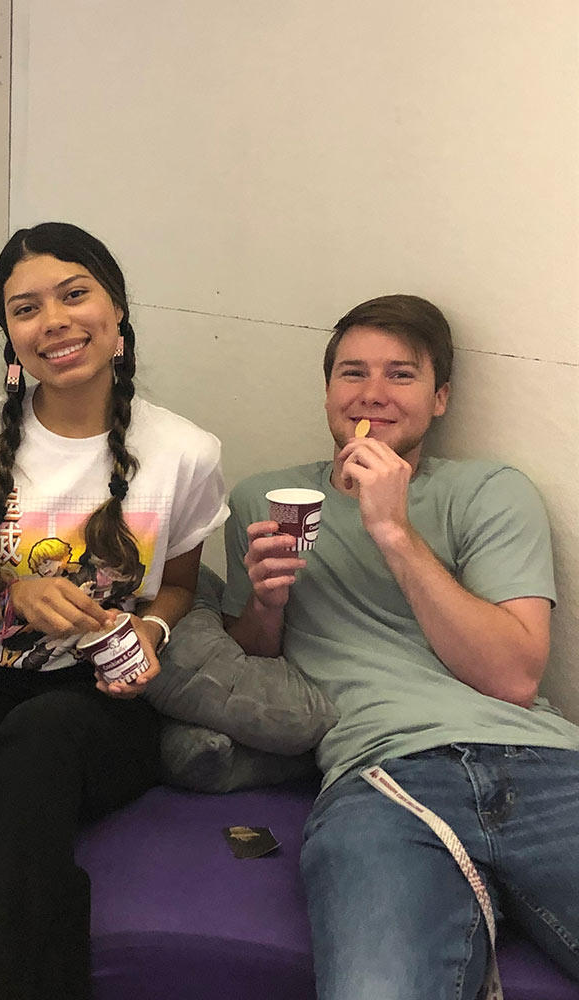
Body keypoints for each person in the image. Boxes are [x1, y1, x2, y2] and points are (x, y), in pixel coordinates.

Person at [0, 222, 228, 1000]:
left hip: (95, 706)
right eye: (27, 308)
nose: (56, 321)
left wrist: (150, 628)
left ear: (117, 311)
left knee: (36, 747)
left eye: (75, 294)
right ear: (10, 334)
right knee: (8, 832)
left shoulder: (185, 451)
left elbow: (177, 587)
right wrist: (5, 605)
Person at [223, 294, 579, 999]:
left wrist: (393, 530)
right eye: (353, 373)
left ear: (441, 397)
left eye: (402, 376)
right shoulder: (264, 500)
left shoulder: (491, 491)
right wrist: (265, 603)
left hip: (543, 768)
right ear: (328, 391)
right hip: (380, 783)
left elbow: (510, 676)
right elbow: (255, 670)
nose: (373, 395)